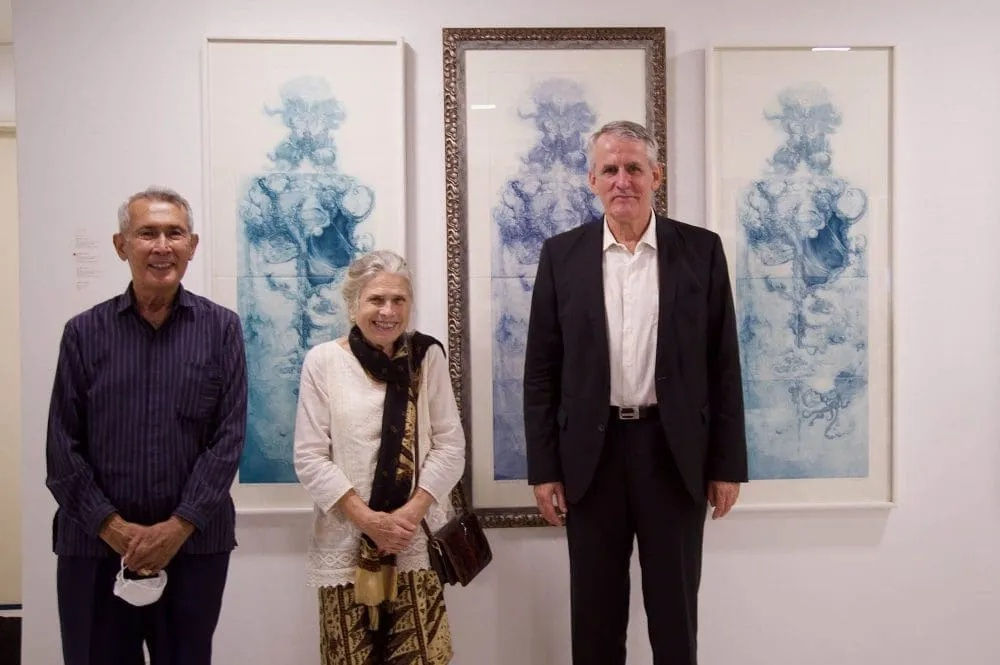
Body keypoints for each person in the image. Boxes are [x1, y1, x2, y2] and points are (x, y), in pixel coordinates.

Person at [523, 120, 748, 665]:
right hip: (590, 459)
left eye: (634, 169)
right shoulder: (562, 256)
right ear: (591, 180)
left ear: (657, 176)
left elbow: (723, 364)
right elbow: (540, 371)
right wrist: (544, 469)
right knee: (595, 617)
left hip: (672, 455)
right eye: (610, 170)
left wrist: (727, 466)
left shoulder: (701, 251)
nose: (622, 180)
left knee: (674, 615)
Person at [45, 186, 247, 665]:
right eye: (147, 233)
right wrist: (114, 530)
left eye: (174, 233)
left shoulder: (222, 329)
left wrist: (176, 529)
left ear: (192, 245)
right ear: (121, 245)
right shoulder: (83, 333)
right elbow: (61, 448)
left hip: (195, 548)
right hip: (93, 548)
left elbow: (229, 438)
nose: (162, 246)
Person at [293, 250, 465, 665]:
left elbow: (450, 445)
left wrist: (407, 516)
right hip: (346, 543)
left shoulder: (427, 358)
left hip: (413, 542)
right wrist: (368, 521)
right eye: (376, 300)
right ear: (353, 304)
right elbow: (310, 456)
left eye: (398, 300)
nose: (388, 311)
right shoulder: (324, 362)